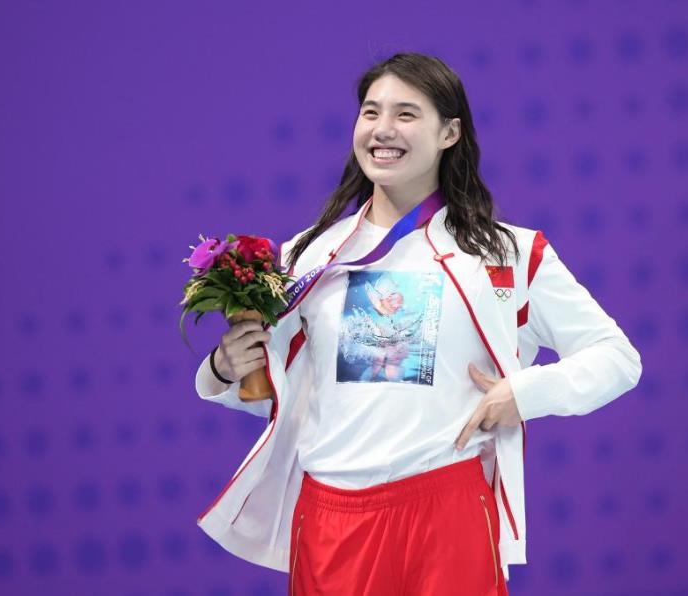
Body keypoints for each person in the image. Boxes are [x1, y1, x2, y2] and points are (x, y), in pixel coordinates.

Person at [194, 52, 642, 595]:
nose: (382, 130)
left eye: (406, 114)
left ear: (450, 132)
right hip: (333, 523)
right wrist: (223, 368)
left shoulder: (508, 255)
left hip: (449, 512)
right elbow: (273, 390)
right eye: (370, 112)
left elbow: (618, 359)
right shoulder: (309, 257)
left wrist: (526, 393)